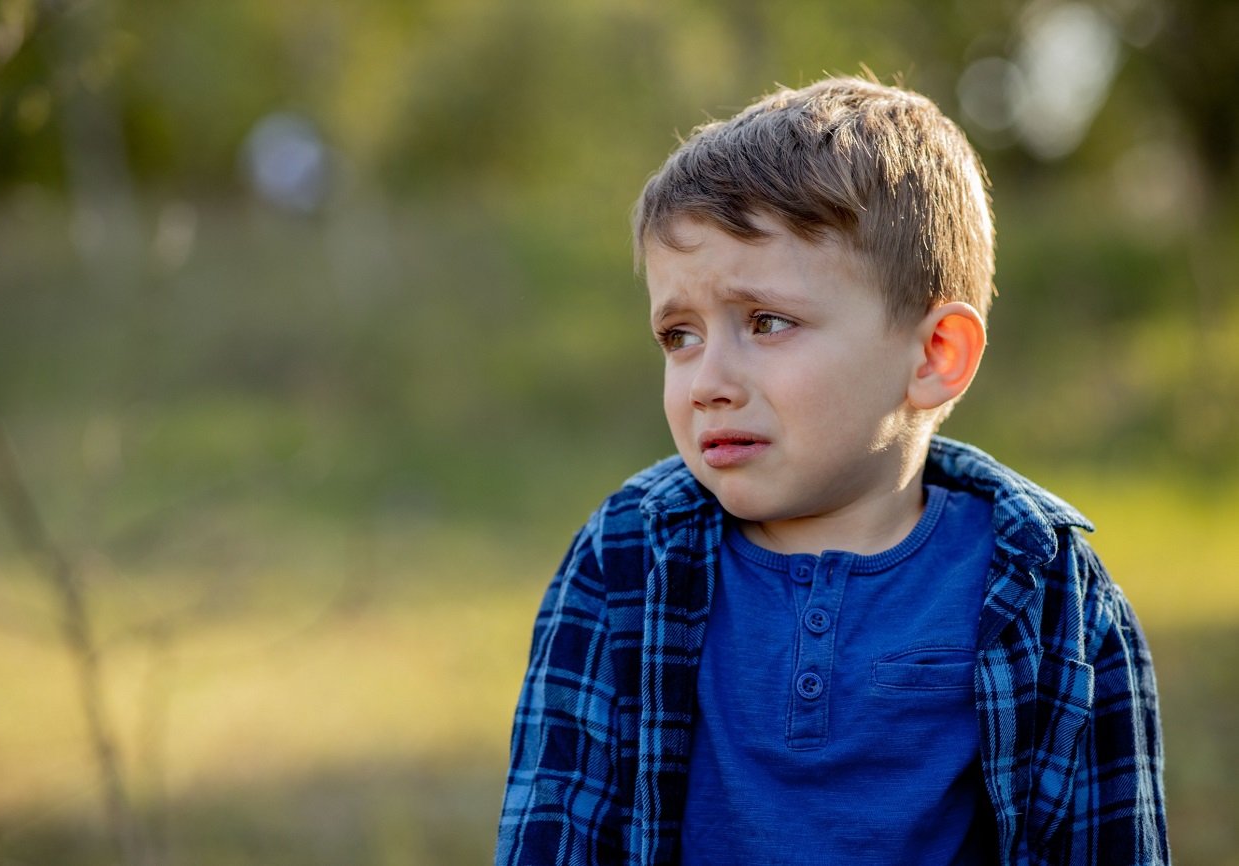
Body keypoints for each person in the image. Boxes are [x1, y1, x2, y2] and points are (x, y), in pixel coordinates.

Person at [495, 76, 1169, 866]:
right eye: (678, 335)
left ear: (933, 355)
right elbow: (552, 836)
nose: (709, 378)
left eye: (766, 322)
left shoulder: (1049, 594)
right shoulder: (625, 562)